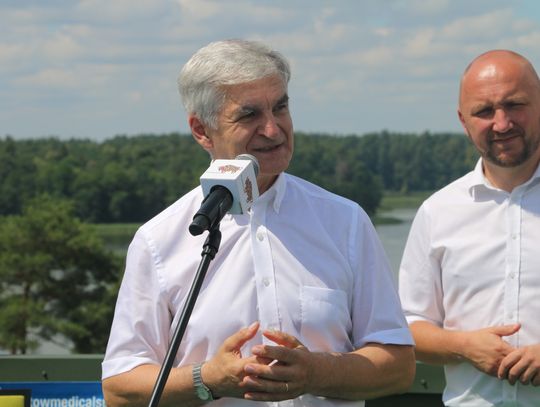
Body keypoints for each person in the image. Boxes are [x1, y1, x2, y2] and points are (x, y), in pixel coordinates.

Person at [101, 39, 415, 407]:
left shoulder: (345, 221)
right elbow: (120, 389)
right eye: (249, 115)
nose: (273, 129)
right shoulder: (159, 239)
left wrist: (317, 372)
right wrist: (209, 380)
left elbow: (398, 366)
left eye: (280, 107)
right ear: (202, 130)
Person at [399, 49, 540, 406]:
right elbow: (408, 327)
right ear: (464, 121)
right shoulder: (438, 212)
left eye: (515, 104)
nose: (502, 123)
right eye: (484, 111)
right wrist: (463, 346)